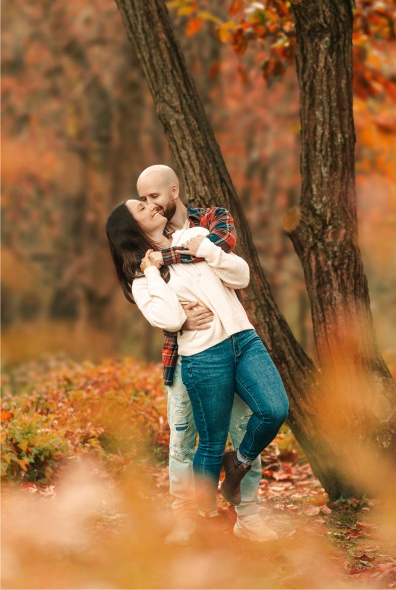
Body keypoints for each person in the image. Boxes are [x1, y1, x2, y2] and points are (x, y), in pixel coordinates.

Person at [106, 165, 288, 541]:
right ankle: (197, 520)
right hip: (195, 356)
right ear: (135, 229)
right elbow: (170, 318)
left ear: (173, 191)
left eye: (152, 198)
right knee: (190, 439)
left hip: (242, 339)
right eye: (142, 204)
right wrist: (156, 274)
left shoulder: (202, 227)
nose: (150, 205)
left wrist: (197, 251)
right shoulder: (144, 275)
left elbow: (237, 272)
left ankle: (242, 498)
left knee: (266, 414)